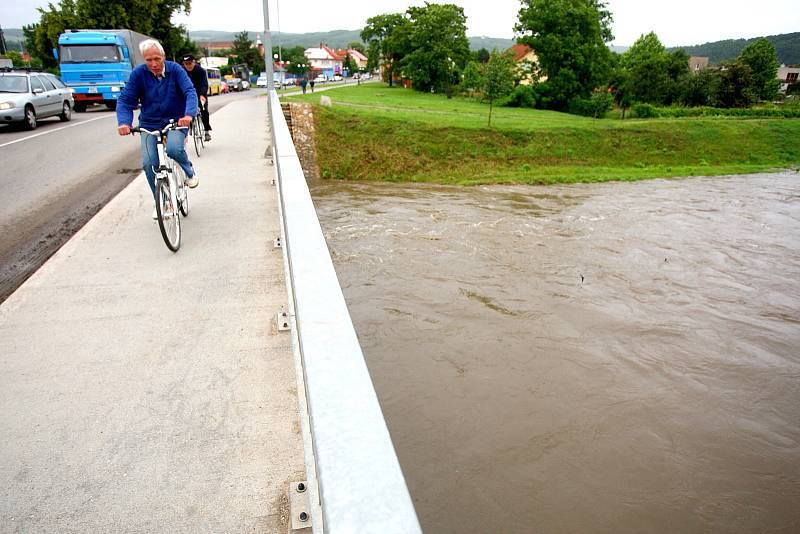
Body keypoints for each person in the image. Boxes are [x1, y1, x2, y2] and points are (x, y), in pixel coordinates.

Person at [116, 39, 199, 219]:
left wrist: (188, 115)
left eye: (156, 59)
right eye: (148, 60)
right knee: (149, 163)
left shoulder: (175, 70)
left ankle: (189, 170)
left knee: (174, 148)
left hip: (176, 120)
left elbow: (189, 92)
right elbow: (125, 100)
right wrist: (124, 123)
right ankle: (162, 200)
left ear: (163, 57)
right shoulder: (139, 74)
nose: (153, 64)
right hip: (149, 124)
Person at [181, 54, 212, 142]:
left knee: (204, 110)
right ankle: (190, 126)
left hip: (199, 93)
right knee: (185, 110)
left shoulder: (200, 71)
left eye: (190, 63)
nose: (188, 66)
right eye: (186, 64)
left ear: (194, 62)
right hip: (187, 95)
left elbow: (204, 84)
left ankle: (206, 131)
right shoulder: (182, 71)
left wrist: (202, 95)